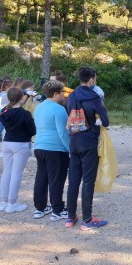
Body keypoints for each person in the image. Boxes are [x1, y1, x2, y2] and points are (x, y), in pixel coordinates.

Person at [65, 66, 109, 230]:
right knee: (88, 181)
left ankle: (70, 217)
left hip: (74, 140)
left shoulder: (72, 95)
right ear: (91, 79)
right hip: (89, 141)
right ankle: (88, 220)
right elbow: (106, 121)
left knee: (74, 180)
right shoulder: (94, 97)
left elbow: (69, 112)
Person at [32, 80, 70, 220]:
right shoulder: (58, 109)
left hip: (40, 146)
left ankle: (40, 207)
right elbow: (63, 132)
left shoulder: (39, 107)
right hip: (55, 148)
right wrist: (69, 148)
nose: (64, 95)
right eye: (62, 92)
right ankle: (57, 210)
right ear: (55, 94)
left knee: (41, 177)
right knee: (57, 179)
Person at [0, 87, 36, 213]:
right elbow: (33, 131)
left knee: (7, 172)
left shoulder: (5, 112)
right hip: (20, 143)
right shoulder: (24, 114)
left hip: (7, 142)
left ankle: (3, 201)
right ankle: (12, 202)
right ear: (22, 98)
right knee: (16, 174)